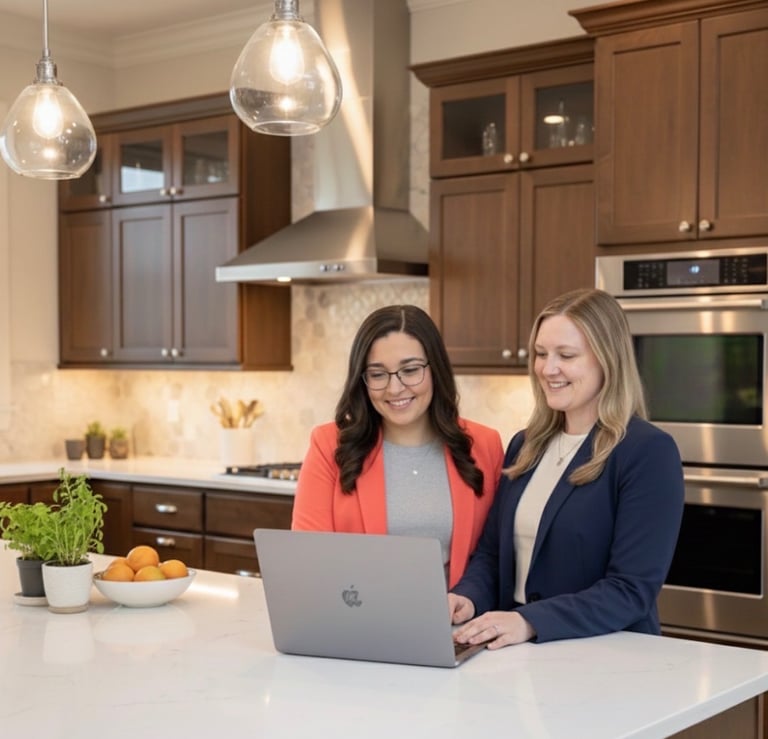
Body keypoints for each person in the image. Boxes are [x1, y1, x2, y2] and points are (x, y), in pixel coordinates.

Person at [450, 287, 684, 649]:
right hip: (522, 651)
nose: (548, 368)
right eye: (541, 354)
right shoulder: (526, 445)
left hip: (607, 656)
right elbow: (492, 555)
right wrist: (467, 597)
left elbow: (630, 589)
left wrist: (529, 621)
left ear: (608, 359)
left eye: (566, 355)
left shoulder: (647, 452)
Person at [292, 304, 504, 588]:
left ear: (436, 369)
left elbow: (495, 555)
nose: (395, 388)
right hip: (359, 612)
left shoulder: (485, 445)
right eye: (378, 374)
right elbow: (309, 559)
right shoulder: (328, 445)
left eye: (410, 370)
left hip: (453, 615)